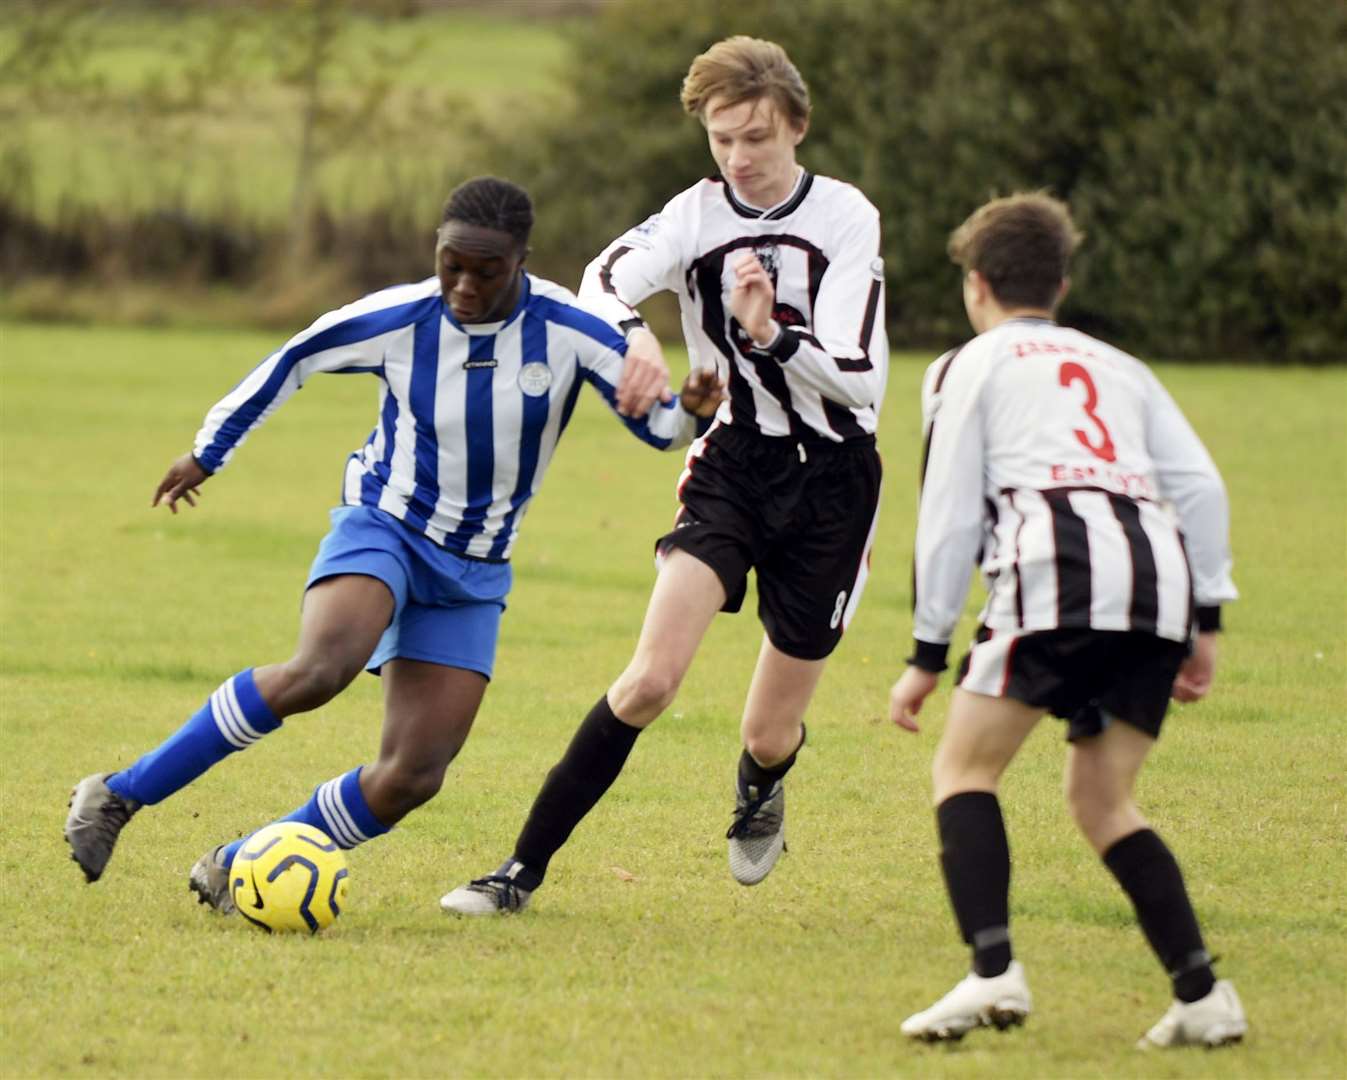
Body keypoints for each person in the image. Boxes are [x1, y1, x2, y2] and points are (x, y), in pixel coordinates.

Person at [63, 176, 723, 910]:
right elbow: (297, 356)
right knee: (321, 668)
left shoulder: (570, 330)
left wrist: (689, 412)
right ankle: (118, 796)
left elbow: (657, 427)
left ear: (522, 262)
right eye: (451, 265)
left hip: (473, 570)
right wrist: (208, 451)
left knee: (414, 774)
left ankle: (240, 861)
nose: (464, 285)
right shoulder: (402, 317)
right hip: (384, 524)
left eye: (486, 270)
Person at [441, 36, 888, 915]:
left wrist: (765, 335)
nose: (738, 158)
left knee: (768, 729)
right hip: (735, 463)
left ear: (796, 125)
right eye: (722, 138)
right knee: (648, 680)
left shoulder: (844, 217)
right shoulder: (695, 213)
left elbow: (861, 375)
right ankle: (517, 873)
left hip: (834, 482)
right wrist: (634, 335)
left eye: (756, 137)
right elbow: (600, 279)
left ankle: (760, 784)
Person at [887, 192, 1246, 1049]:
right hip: (1155, 581)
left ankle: (990, 974)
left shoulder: (963, 367)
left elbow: (947, 512)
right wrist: (1205, 620)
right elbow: (1198, 488)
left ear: (975, 285)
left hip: (1057, 573)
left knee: (963, 771)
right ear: (1060, 282)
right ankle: (1201, 997)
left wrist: (926, 651)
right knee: (1101, 799)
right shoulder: (1120, 365)